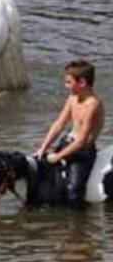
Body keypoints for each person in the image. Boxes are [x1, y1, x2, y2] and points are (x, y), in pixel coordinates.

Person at [34, 60, 105, 206]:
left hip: (83, 152)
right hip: (67, 143)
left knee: (74, 192)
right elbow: (59, 124)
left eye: (68, 82)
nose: (65, 86)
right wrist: (44, 147)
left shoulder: (92, 105)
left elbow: (82, 141)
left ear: (82, 82)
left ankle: (79, 222)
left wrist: (58, 157)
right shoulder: (73, 98)